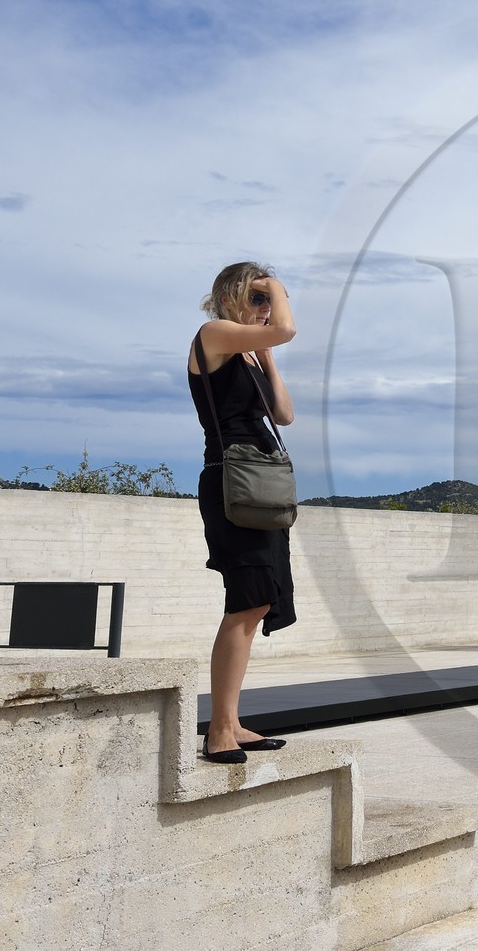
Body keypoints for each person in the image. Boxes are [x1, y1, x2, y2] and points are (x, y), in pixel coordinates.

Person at [188, 262, 297, 763]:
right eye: (258, 299)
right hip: (232, 484)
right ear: (234, 296)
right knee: (244, 601)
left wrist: (267, 356)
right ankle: (217, 733)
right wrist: (272, 292)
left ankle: (230, 721)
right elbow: (289, 327)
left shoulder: (248, 353)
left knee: (256, 605)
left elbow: (283, 414)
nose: (266, 309)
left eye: (268, 300)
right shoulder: (212, 334)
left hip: (260, 485)